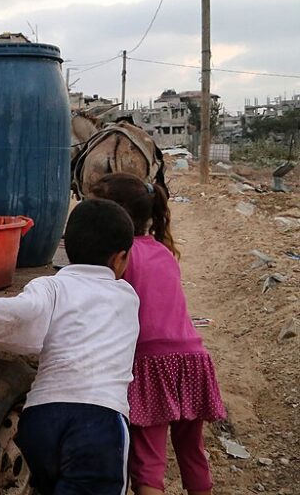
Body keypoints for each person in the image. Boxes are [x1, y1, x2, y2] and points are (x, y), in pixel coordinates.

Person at [0, 199, 140, 494]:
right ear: (120, 258)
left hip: (41, 420)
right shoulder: (127, 296)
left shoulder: (50, 286)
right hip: (98, 423)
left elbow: (19, 312)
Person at [89, 173, 225, 495]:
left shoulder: (121, 259)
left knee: (148, 461)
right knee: (192, 452)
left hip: (152, 364)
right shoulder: (164, 251)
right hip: (193, 359)